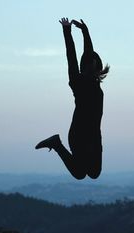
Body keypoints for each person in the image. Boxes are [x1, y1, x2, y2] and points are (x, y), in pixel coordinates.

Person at [35, 17, 109, 180]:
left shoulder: (95, 82)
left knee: (94, 173)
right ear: (85, 68)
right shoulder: (78, 81)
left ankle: (56, 144)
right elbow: (72, 57)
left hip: (94, 136)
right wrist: (67, 31)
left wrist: (85, 32)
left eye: (95, 65)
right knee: (80, 173)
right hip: (80, 135)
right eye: (91, 65)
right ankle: (56, 144)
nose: (94, 67)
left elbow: (88, 53)